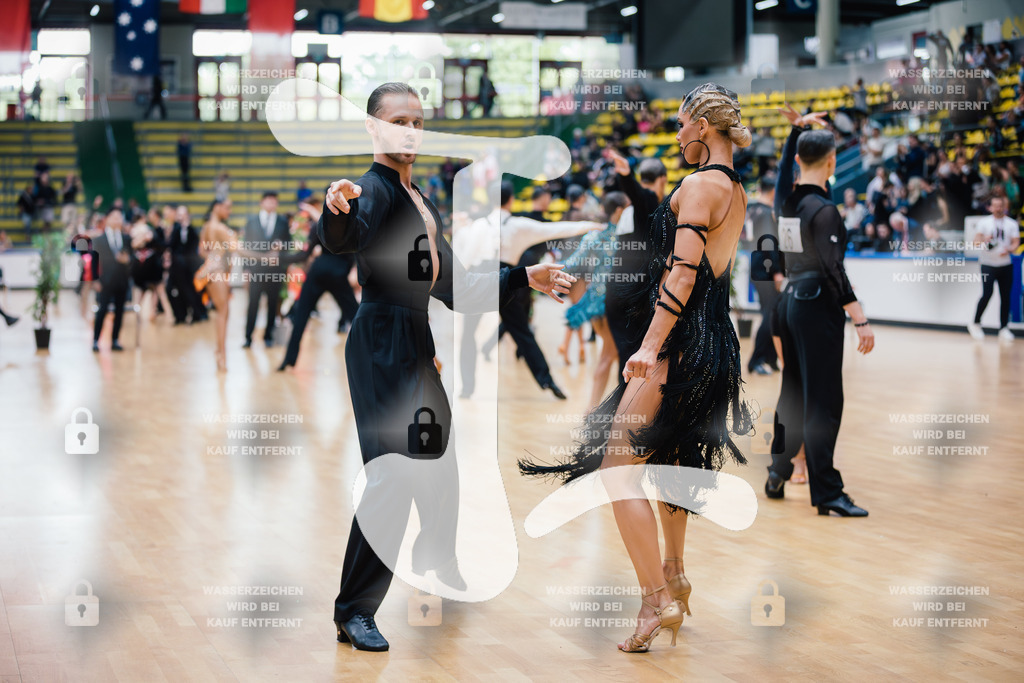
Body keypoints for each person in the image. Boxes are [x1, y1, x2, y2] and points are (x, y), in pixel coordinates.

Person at [317, 82, 576, 652]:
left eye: (417, 121)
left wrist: (521, 277)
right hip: (381, 339)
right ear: (374, 128)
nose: (409, 130)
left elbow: (455, 287)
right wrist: (334, 207)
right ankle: (353, 610)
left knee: (440, 459)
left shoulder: (422, 201)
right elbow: (342, 236)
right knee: (392, 475)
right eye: (397, 120)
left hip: (412, 335)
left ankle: (435, 559)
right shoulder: (373, 191)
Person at [521, 83, 758, 653]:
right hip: (715, 341)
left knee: (617, 468)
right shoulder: (736, 189)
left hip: (680, 341)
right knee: (672, 462)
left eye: (681, 125)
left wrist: (650, 347)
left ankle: (657, 598)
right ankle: (674, 573)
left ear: (703, 126)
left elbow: (681, 275)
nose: (677, 135)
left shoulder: (700, 184)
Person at [764, 129, 875, 517]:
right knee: (824, 401)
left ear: (798, 161)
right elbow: (832, 268)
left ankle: (778, 470)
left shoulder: (787, 205)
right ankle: (827, 491)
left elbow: (781, 181)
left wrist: (792, 133)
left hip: (790, 303)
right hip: (815, 306)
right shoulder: (824, 210)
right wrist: (858, 316)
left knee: (792, 394)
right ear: (831, 162)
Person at [604, 152, 668, 380]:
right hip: (635, 293)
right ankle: (627, 411)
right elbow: (643, 197)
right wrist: (626, 176)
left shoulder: (626, 211)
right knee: (633, 359)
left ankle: (617, 411)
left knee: (623, 357)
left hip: (614, 290)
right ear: (662, 179)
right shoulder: (651, 203)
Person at [562, 191, 630, 408]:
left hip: (594, 302)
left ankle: (605, 409)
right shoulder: (623, 238)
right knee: (608, 357)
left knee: (612, 355)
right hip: (610, 304)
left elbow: (572, 261)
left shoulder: (594, 235)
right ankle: (591, 412)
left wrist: (553, 270)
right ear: (619, 210)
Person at [277, 200, 359, 371]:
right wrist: (353, 269)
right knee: (356, 317)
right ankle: (374, 355)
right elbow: (356, 254)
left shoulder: (320, 224)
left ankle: (288, 360)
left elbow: (303, 255)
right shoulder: (353, 225)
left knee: (301, 317)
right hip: (337, 274)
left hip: (318, 272)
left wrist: (281, 257)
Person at [196, 198, 250, 371]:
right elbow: (238, 250)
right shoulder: (220, 228)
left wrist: (211, 259)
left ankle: (220, 352)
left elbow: (202, 251)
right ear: (217, 207)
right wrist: (264, 256)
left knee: (222, 312)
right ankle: (221, 355)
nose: (230, 211)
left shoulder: (206, 227)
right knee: (223, 312)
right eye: (227, 207)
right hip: (218, 273)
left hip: (214, 272)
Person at [242, 191, 290, 348]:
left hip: (275, 271)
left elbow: (288, 244)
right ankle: (248, 337)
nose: (271, 203)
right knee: (253, 303)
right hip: (256, 270)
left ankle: (268, 336)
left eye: (273, 201)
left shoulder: (282, 222)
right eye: (268, 200)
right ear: (261, 203)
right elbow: (246, 246)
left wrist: (281, 249)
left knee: (272, 303)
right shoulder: (252, 222)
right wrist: (246, 269)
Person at [967, 196, 1020, 342]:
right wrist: (984, 240)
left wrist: (1009, 249)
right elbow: (975, 243)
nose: (998, 208)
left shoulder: (1011, 224)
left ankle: (1004, 328)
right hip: (988, 264)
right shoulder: (984, 223)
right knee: (987, 294)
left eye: (1000, 205)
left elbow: (1016, 242)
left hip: (1005, 264)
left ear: (1004, 206)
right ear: (990, 207)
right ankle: (975, 323)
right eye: (995, 205)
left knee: (1005, 296)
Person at [747, 173, 783, 375]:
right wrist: (777, 271)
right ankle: (756, 360)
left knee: (771, 313)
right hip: (767, 270)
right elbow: (769, 242)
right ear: (774, 191)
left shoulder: (753, 210)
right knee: (770, 314)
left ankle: (771, 358)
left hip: (757, 267)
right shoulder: (767, 212)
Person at [92, 207, 133, 352]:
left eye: (119, 217)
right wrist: (95, 280)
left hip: (122, 281)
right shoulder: (98, 239)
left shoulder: (127, 238)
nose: (117, 220)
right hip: (105, 281)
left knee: (120, 311)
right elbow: (94, 261)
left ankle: (115, 339)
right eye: (114, 217)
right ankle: (96, 340)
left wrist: (127, 259)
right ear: (107, 219)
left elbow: (132, 258)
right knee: (102, 310)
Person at [129, 209, 172, 324]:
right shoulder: (143, 230)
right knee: (154, 289)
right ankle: (164, 314)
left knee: (155, 289)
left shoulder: (150, 229)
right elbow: (136, 244)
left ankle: (155, 312)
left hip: (150, 263)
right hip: (146, 264)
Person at [167, 205, 207, 324]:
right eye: (178, 214)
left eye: (182, 214)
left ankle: (197, 314)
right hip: (176, 268)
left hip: (188, 268)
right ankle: (180, 315)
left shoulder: (192, 230)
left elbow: (194, 249)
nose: (180, 216)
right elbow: (171, 245)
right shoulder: (175, 228)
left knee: (190, 291)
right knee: (172, 290)